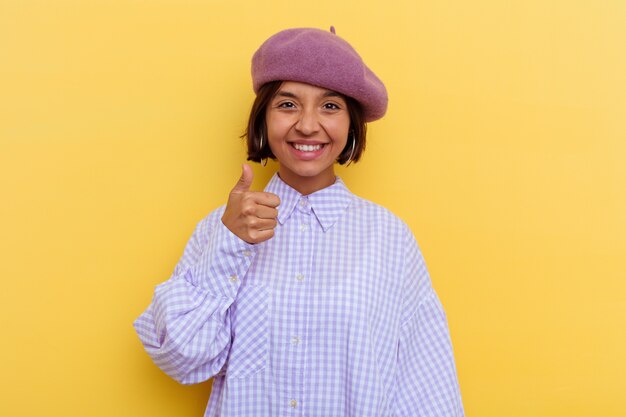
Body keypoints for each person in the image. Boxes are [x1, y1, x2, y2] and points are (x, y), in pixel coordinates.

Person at [134, 27, 464, 417]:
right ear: (263, 119)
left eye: (330, 106)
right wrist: (229, 245)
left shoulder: (389, 237)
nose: (308, 125)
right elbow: (182, 358)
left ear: (352, 123)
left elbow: (425, 386)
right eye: (288, 105)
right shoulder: (221, 229)